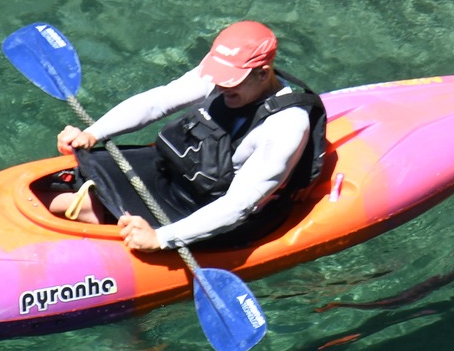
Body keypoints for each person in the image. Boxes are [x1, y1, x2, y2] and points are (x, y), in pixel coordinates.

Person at [45, 21, 327, 251]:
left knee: (91, 204)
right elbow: (159, 101)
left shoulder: (285, 126)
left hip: (210, 209)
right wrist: (94, 133)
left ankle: (90, 212)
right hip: (175, 174)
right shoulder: (224, 70)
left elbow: (238, 205)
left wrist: (161, 239)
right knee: (89, 168)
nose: (220, 85)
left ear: (263, 74)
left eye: (230, 83)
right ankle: (88, 208)